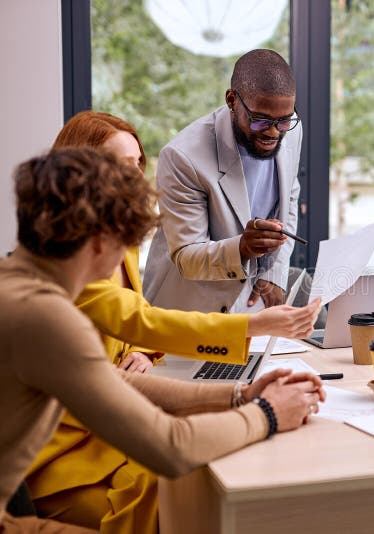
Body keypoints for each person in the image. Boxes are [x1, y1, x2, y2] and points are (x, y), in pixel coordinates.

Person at [22, 111, 321, 533]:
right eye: (118, 166)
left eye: (136, 164)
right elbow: (140, 320)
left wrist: (144, 353)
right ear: (78, 173)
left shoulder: (108, 243)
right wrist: (260, 395)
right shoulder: (61, 275)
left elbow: (127, 329)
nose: (134, 179)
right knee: (185, 486)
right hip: (69, 452)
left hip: (106, 421)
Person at [144, 49, 301, 313]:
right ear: (231, 100)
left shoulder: (292, 129)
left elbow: (290, 199)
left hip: (249, 306)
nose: (273, 132)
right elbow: (186, 256)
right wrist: (242, 248)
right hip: (188, 312)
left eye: (282, 121)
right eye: (260, 120)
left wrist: (273, 273)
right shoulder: (182, 157)